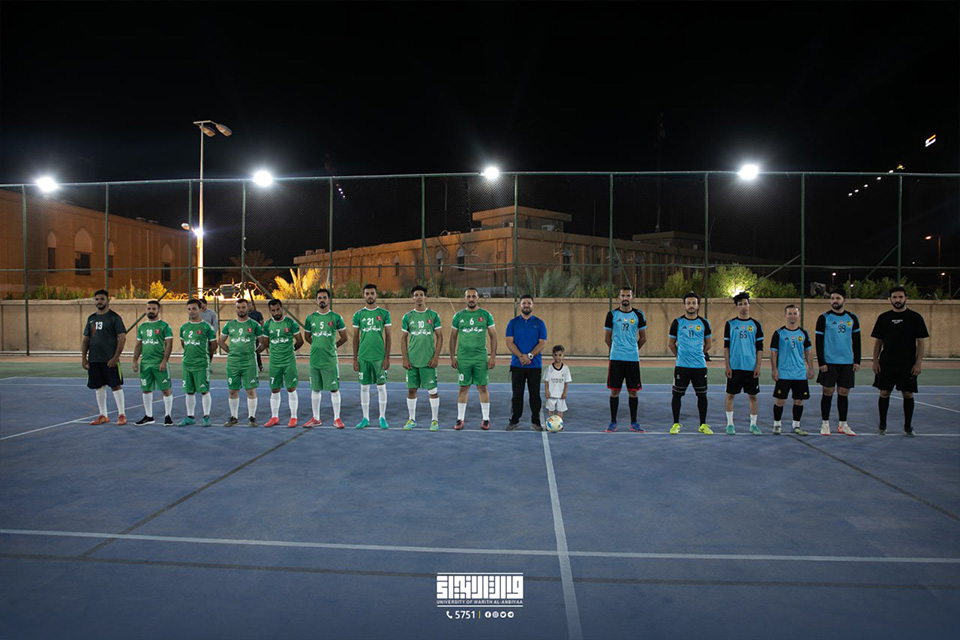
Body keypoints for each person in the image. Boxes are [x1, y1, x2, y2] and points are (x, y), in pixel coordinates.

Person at [871, 285, 929, 436]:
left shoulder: (915, 317)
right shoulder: (883, 318)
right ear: (890, 299)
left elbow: (921, 342)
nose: (898, 300)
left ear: (906, 298)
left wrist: (918, 363)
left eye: (900, 297)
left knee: (908, 394)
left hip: (907, 364)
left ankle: (908, 426)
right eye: (895, 297)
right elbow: (878, 342)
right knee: (884, 393)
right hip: (886, 363)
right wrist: (875, 361)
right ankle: (882, 425)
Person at [450, 287, 497, 430]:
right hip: (463, 358)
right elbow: (453, 337)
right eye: (468, 296)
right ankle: (460, 419)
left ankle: (486, 419)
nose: (471, 299)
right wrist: (452, 357)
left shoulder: (486, 315)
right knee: (463, 388)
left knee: (482, 387)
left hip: (480, 358)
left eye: (473, 296)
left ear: (478, 298)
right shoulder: (458, 316)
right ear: (465, 298)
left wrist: (492, 357)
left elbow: (493, 336)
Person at [816, 288, 861, 436]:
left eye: (837, 298)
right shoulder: (824, 318)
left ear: (845, 300)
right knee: (827, 391)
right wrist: (821, 362)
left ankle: (843, 424)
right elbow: (818, 341)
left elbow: (857, 341)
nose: (834, 301)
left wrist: (857, 360)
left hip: (847, 362)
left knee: (843, 393)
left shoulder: (852, 318)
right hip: (829, 362)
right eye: (832, 298)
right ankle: (825, 424)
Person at [668, 292, 714, 434]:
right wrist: (680, 356)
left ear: (698, 305)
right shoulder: (677, 322)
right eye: (688, 303)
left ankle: (703, 425)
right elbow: (671, 344)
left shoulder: (704, 323)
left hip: (699, 366)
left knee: (702, 395)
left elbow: (708, 344)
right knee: (677, 395)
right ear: (685, 305)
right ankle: (675, 424)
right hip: (682, 366)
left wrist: (698, 354)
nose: (691, 305)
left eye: (694, 303)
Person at [603, 286, 647, 432]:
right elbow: (607, 338)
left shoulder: (639, 315)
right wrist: (617, 349)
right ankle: (612, 422)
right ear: (619, 297)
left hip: (632, 359)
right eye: (623, 295)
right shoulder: (612, 315)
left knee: (633, 391)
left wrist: (632, 349)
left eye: (628, 295)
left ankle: (634, 423)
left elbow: (643, 338)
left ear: (632, 297)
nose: (625, 298)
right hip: (616, 358)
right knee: (614, 391)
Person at [303, 288, 348, 428]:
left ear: (329, 299)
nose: (322, 300)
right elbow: (307, 337)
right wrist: (317, 345)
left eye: (324, 297)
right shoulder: (310, 318)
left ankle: (337, 418)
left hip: (330, 359)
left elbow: (344, 337)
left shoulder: (336, 317)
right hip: (315, 359)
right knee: (315, 389)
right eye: (319, 298)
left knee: (334, 389)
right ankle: (316, 418)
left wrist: (333, 347)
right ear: (316, 300)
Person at [82, 289, 127, 425]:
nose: (99, 302)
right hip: (95, 359)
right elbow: (86, 339)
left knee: (115, 385)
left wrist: (115, 357)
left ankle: (122, 415)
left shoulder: (114, 318)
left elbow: (122, 338)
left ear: (108, 300)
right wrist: (84, 358)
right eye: (97, 299)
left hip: (110, 359)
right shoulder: (91, 319)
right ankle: (103, 415)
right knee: (99, 387)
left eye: (102, 299)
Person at [401, 285, 443, 431]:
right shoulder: (407, 317)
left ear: (425, 297)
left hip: (428, 361)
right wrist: (405, 358)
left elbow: (440, 337)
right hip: (412, 361)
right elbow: (403, 338)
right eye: (416, 295)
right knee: (411, 390)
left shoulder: (433, 315)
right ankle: (411, 419)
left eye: (421, 295)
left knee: (433, 391)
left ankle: (434, 420)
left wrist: (436, 357)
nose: (419, 297)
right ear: (412, 298)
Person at [770, 304, 814, 435]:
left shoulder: (803, 333)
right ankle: (777, 425)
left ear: (799, 315)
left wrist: (811, 368)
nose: (792, 316)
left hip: (799, 373)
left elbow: (808, 352)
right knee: (780, 401)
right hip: (784, 373)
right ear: (785, 315)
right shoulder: (779, 333)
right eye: (790, 313)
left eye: (795, 313)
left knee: (799, 401)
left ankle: (796, 426)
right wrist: (774, 370)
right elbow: (773, 352)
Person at [723, 292, 764, 435]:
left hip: (750, 367)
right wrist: (727, 365)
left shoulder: (756, 325)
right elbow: (726, 347)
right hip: (734, 367)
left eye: (745, 303)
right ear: (737, 306)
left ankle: (753, 425)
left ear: (749, 305)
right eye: (740, 304)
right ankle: (730, 424)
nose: (743, 306)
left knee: (753, 396)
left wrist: (758, 366)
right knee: (730, 395)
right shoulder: (730, 324)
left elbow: (759, 348)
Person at [505, 294, 548, 431]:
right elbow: (509, 342)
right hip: (517, 365)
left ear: (533, 305)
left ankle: (536, 421)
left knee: (535, 395)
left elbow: (542, 343)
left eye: (529, 303)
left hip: (534, 366)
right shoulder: (513, 323)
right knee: (517, 395)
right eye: (524, 303)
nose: (526, 305)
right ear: (520, 305)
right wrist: (520, 356)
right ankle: (514, 421)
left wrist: (529, 356)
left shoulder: (539, 323)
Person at [219, 298, 263, 427]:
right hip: (233, 362)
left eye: (243, 307)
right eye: (238, 307)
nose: (241, 310)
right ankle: (234, 417)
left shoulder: (254, 325)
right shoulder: (230, 325)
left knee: (250, 390)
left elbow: (263, 342)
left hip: (249, 362)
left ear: (248, 308)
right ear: (235, 308)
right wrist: (230, 351)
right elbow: (220, 341)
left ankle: (252, 417)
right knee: (233, 391)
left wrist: (255, 352)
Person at [352, 284, 391, 429]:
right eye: (367, 293)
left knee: (381, 387)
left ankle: (382, 417)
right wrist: (355, 359)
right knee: (364, 387)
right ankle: (365, 418)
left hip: (379, 357)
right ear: (363, 296)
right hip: (363, 356)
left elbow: (388, 337)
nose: (369, 296)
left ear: (376, 295)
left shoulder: (384, 313)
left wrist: (387, 357)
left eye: (372, 293)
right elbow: (355, 338)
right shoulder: (358, 315)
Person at [262, 299, 304, 427]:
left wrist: (290, 350)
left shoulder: (290, 323)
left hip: (289, 361)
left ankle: (293, 417)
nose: (276, 312)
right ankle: (274, 417)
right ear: (270, 311)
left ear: (282, 308)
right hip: (274, 362)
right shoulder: (267, 324)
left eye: (278, 309)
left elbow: (300, 341)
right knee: (275, 389)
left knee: (291, 388)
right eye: (273, 310)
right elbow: (265, 342)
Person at [132, 300, 174, 426]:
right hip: (145, 364)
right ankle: (148, 416)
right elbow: (138, 345)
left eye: (153, 309)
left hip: (159, 363)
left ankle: (168, 416)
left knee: (165, 390)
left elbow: (169, 344)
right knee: (146, 390)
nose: (151, 311)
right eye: (148, 309)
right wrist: (135, 361)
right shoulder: (142, 327)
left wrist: (164, 361)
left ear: (158, 310)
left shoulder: (164, 326)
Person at [178, 298, 217, 426]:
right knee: (189, 391)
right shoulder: (184, 327)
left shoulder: (207, 327)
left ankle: (206, 416)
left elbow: (213, 345)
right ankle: (190, 417)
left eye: (194, 309)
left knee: (204, 390)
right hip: (187, 364)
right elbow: (184, 344)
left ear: (200, 309)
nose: (191, 311)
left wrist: (204, 356)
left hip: (201, 364)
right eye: (189, 309)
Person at [544, 345, 572, 421]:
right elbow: (546, 381)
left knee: (560, 411)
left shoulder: (565, 368)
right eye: (555, 355)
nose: (558, 357)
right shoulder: (549, 368)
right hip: (551, 394)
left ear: (563, 355)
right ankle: (551, 423)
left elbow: (566, 382)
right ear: (553, 356)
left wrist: (565, 392)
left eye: (560, 355)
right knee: (551, 410)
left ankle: (559, 423)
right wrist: (546, 391)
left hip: (560, 394)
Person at [248, 298, 265, 373]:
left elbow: (262, 323)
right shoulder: (245, 315)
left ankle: (259, 365)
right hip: (247, 335)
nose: (249, 306)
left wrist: (261, 333)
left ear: (252, 305)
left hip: (256, 335)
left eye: (250, 305)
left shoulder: (258, 314)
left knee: (256, 350)